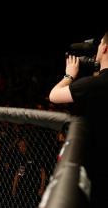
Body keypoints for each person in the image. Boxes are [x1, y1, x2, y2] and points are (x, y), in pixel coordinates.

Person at [49, 30, 108, 207]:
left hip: (98, 166)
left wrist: (69, 74)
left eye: (99, 45)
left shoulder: (98, 84)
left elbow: (54, 96)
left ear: (104, 48)